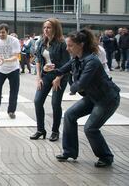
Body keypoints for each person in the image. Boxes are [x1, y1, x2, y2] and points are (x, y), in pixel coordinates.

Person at [52, 29, 120, 168]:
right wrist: (51, 69)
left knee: (90, 128)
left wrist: (72, 88)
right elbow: (61, 70)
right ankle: (69, 152)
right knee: (69, 115)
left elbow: (81, 84)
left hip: (107, 99)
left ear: (81, 45)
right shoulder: (76, 59)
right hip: (92, 97)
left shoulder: (92, 61)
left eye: (70, 45)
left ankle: (106, 157)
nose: (67, 48)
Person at [30, 18, 70, 141]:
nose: (46, 30)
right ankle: (40, 130)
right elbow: (38, 60)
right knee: (37, 101)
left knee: (55, 103)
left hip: (60, 76)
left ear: (55, 29)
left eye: (49, 27)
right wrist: (39, 77)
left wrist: (58, 78)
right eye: (44, 27)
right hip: (46, 75)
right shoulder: (42, 42)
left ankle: (55, 131)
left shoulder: (62, 43)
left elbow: (67, 64)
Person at [0, 23, 21, 121]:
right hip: (0, 69)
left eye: (3, 32)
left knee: (14, 90)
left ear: (7, 32)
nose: (1, 34)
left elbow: (16, 56)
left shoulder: (14, 41)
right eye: (0, 32)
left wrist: (5, 60)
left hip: (13, 68)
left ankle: (11, 111)